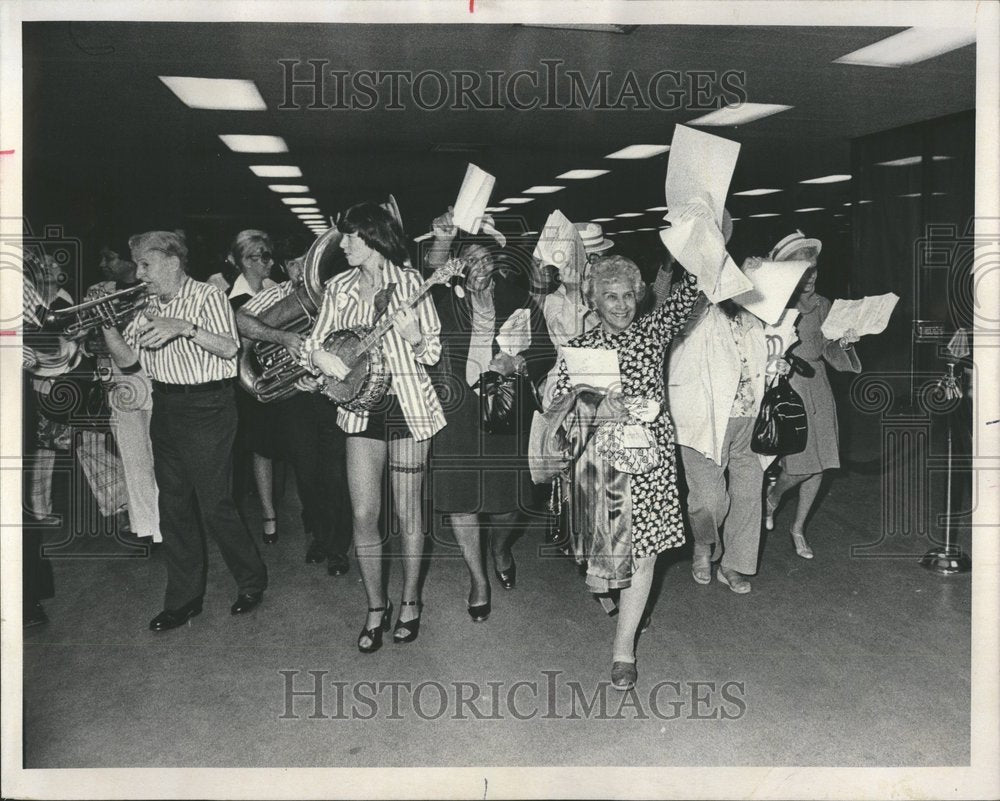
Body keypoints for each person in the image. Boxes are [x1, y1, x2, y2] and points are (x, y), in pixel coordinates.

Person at [544, 254, 700, 690]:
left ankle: (623, 649)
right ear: (594, 300)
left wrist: (704, 243)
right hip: (601, 468)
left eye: (628, 295)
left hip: (649, 460)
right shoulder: (579, 350)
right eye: (610, 296)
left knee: (644, 553)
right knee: (608, 561)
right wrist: (595, 404)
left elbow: (689, 295)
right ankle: (609, 590)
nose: (621, 304)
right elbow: (557, 406)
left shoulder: (652, 331)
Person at [101, 230, 268, 631]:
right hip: (167, 406)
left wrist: (184, 327)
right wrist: (107, 327)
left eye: (146, 264)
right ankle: (184, 597)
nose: (139, 274)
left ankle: (251, 580)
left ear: (173, 261)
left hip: (209, 406)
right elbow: (127, 362)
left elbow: (229, 349)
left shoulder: (207, 296)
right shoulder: (144, 303)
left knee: (215, 504)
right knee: (172, 506)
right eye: (138, 265)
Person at [299, 202, 445, 653]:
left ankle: (410, 601)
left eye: (351, 238)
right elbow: (316, 342)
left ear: (374, 239)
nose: (342, 245)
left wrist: (415, 337)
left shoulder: (413, 284)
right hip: (361, 410)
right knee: (364, 513)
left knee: (408, 514)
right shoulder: (339, 286)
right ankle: (375, 606)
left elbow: (433, 352)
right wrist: (317, 359)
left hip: (406, 408)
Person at [425, 209, 555, 621]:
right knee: (462, 500)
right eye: (471, 260)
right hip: (457, 411)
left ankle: (499, 547)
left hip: (504, 408)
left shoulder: (516, 298)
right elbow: (419, 289)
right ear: (459, 263)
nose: (481, 268)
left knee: (508, 504)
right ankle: (478, 578)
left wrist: (517, 364)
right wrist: (442, 245)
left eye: (487, 259)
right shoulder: (444, 298)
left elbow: (545, 352)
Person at [669, 257, 790, 593]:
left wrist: (775, 365)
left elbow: (762, 355)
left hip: (749, 419)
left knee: (749, 497)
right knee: (709, 499)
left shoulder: (752, 317)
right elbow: (673, 306)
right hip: (703, 420)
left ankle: (733, 564)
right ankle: (703, 544)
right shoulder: (697, 312)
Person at [237, 244, 353, 575]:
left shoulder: (337, 288)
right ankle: (316, 533)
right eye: (298, 263)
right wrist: (282, 337)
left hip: (332, 391)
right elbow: (240, 320)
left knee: (335, 471)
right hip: (293, 398)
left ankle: (337, 546)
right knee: (306, 470)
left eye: (310, 261)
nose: (305, 269)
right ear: (287, 266)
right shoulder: (274, 296)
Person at [764, 231, 861, 558]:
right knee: (802, 463)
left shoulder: (824, 304)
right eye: (802, 270)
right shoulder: (775, 304)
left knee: (821, 465)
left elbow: (828, 352)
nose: (810, 276)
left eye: (814, 268)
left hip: (818, 382)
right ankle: (774, 495)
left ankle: (798, 528)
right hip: (789, 381)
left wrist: (844, 342)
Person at [82, 243, 161, 542]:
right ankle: (145, 525)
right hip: (116, 378)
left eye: (109, 256)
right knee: (132, 455)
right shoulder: (99, 290)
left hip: (149, 372)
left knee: (158, 453)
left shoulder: (151, 288)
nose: (103, 262)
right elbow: (84, 334)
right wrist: (92, 341)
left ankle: (166, 521)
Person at [226, 230, 281, 544]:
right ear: (238, 262)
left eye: (267, 255)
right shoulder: (231, 299)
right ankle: (268, 514)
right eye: (254, 257)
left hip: (283, 376)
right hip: (252, 380)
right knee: (262, 448)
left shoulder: (280, 290)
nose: (264, 262)